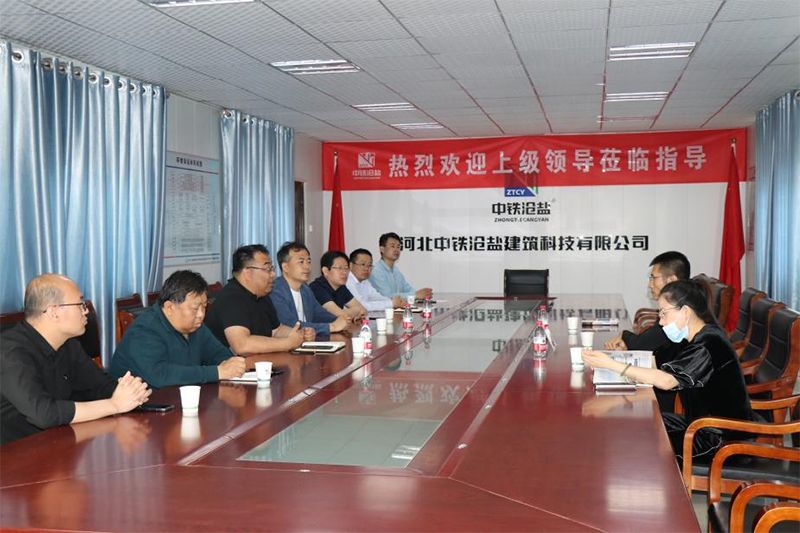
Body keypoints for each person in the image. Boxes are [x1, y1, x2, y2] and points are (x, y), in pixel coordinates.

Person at [582, 279, 755, 461]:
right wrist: (614, 358)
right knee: (641, 423)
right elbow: (655, 363)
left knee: (641, 443)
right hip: (699, 424)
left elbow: (666, 381)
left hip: (722, 438)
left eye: (664, 314)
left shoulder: (707, 344)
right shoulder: (690, 337)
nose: (661, 322)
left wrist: (611, 365)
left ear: (685, 311)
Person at [1, 274, 151, 445]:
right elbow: (44, 414)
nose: (86, 310)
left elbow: (100, 386)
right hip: (14, 452)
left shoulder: (68, 344)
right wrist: (114, 405)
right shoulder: (10, 352)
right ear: (54, 312)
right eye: (80, 304)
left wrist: (132, 392)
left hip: (59, 442)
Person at [110, 270, 246, 388]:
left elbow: (219, 355)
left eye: (204, 307)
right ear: (170, 307)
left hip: (181, 398)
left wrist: (231, 365)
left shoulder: (196, 326)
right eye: (195, 308)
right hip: (141, 405)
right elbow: (159, 375)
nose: (201, 314)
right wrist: (217, 372)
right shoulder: (144, 330)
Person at [205, 245, 312, 354]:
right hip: (223, 362)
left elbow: (276, 330)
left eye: (272, 268)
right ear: (247, 273)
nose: (273, 274)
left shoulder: (261, 295)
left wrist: (300, 334)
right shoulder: (231, 299)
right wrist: (287, 343)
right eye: (267, 269)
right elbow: (242, 345)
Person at [269, 242, 350, 336]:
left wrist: (340, 320)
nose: (307, 266)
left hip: (306, 340)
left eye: (308, 261)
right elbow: (290, 325)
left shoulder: (305, 288)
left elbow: (318, 313)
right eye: (301, 262)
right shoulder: (275, 290)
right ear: (285, 267)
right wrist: (332, 327)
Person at [369, 232, 432, 301]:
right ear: (382, 249)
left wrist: (420, 294)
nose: (396, 250)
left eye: (398, 247)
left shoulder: (395, 270)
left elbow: (407, 289)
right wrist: (415, 295)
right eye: (392, 246)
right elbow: (387, 296)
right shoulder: (376, 271)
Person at [309, 250, 367, 321]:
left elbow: (363, 311)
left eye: (346, 268)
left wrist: (355, 311)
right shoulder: (317, 288)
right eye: (339, 268)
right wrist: (356, 310)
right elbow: (341, 315)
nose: (344, 272)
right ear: (325, 271)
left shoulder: (341, 287)